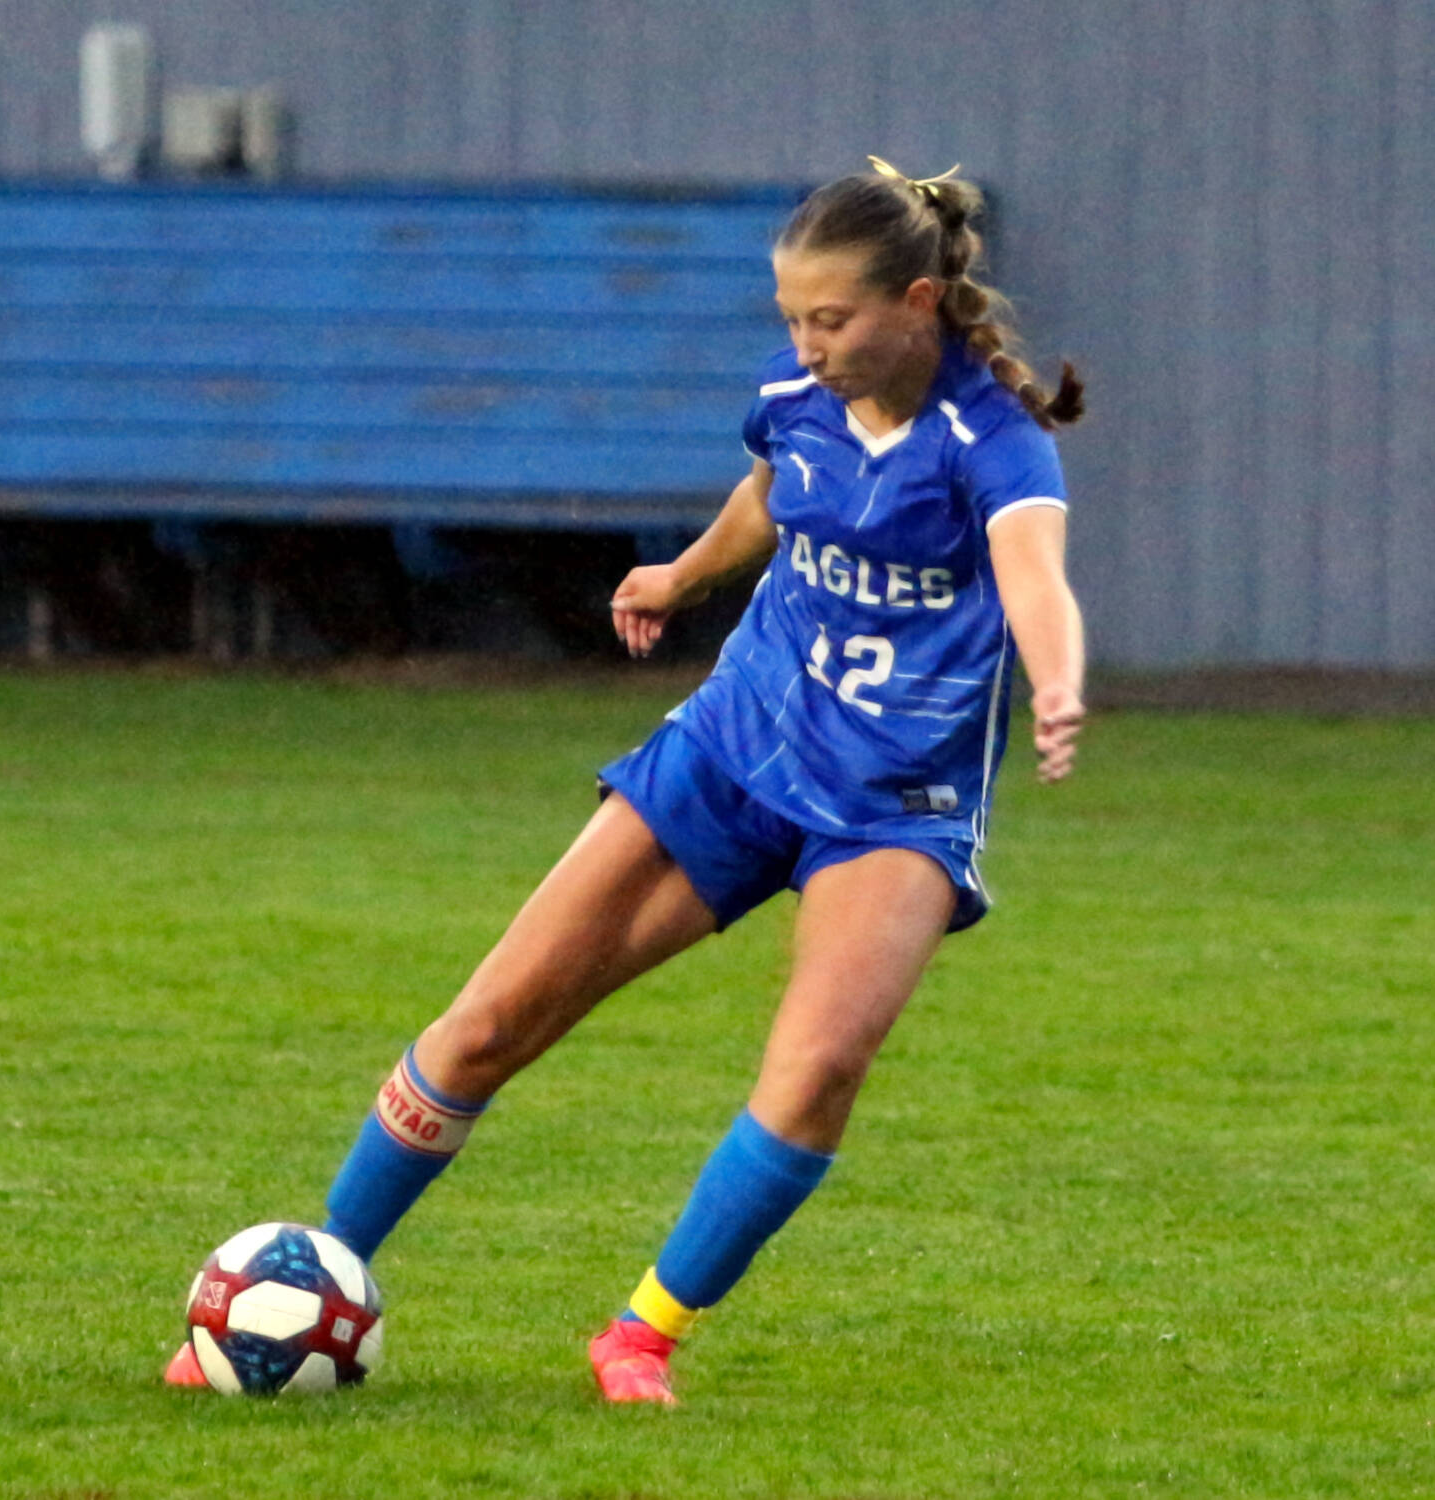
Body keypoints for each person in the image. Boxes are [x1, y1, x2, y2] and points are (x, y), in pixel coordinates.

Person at [166, 156, 1087, 1404]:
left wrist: (1057, 675)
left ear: (918, 303)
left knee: (816, 1072)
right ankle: (322, 1272)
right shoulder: (798, 395)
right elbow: (772, 494)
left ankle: (641, 1333)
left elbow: (1035, 572)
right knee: (493, 1021)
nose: (807, 347)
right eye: (792, 321)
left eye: (833, 320)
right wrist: (681, 574)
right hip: (733, 748)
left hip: (895, 803)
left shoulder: (993, 440)